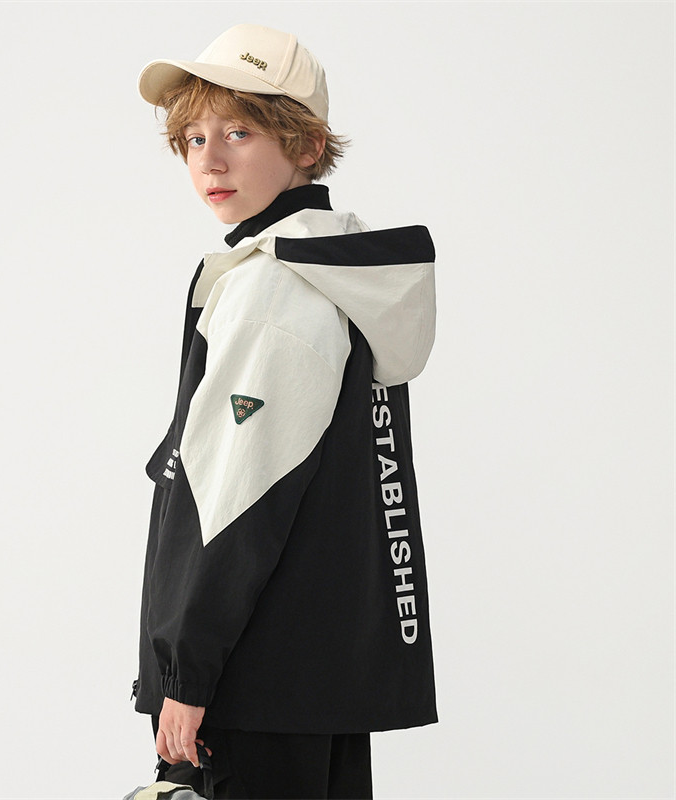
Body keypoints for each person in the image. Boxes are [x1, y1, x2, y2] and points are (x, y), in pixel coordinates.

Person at [131, 23, 438, 800]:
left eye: (239, 132)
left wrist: (186, 673)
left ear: (306, 145)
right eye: (194, 137)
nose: (210, 159)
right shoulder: (338, 269)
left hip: (249, 684)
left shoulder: (273, 286)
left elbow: (237, 498)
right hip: (315, 682)